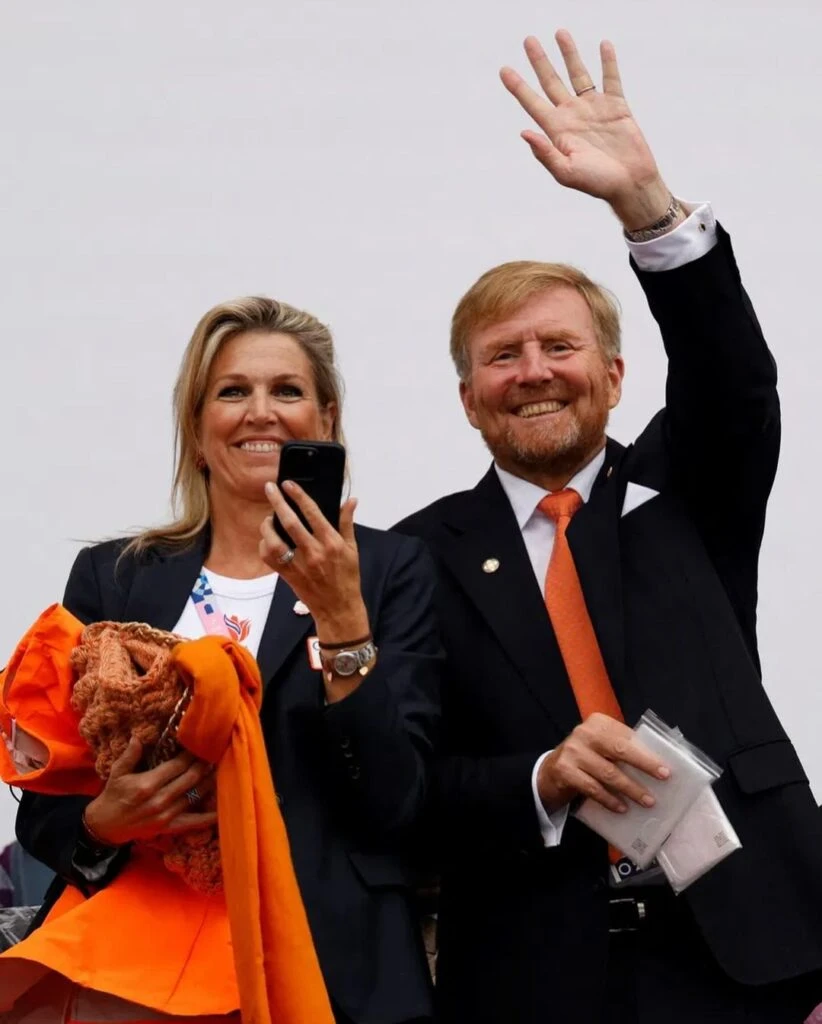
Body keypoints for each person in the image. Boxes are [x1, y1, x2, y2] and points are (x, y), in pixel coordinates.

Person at [395, 29, 822, 1024]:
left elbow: (733, 379)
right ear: (467, 399)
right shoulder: (412, 557)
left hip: (754, 960)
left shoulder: (689, 491)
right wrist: (539, 777)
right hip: (536, 972)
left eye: (560, 345)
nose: (534, 369)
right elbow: (409, 784)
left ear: (616, 376)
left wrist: (647, 208)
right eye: (504, 355)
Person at [13, 296, 441, 1024]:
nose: (260, 412)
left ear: (326, 420)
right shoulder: (113, 577)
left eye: (288, 391)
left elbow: (398, 804)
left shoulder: (391, 570)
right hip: (134, 969)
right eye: (233, 391)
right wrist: (102, 826)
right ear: (197, 425)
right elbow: (47, 799)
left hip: (326, 965)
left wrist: (341, 620)